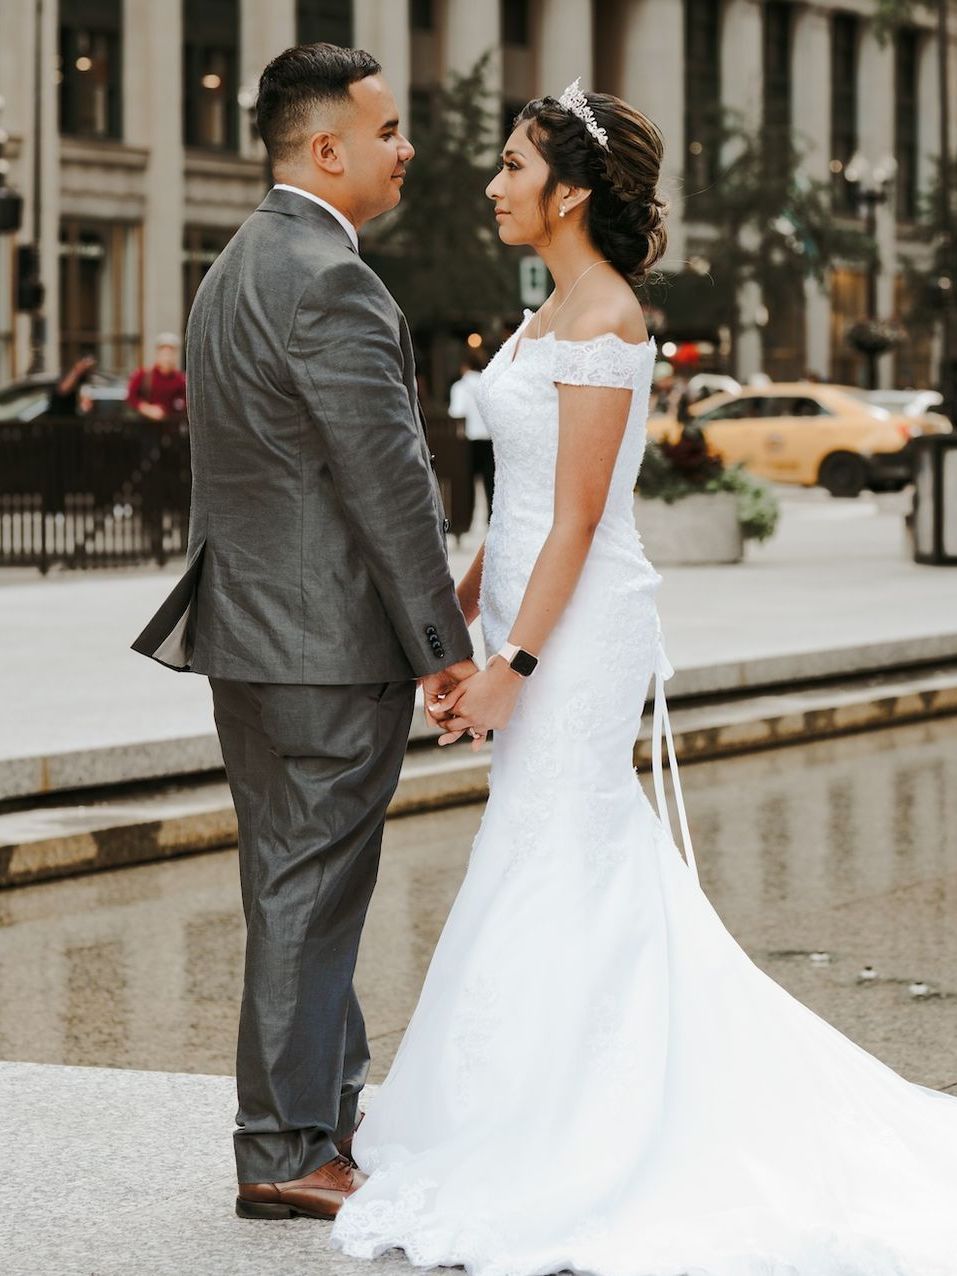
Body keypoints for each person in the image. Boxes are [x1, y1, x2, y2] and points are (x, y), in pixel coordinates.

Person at [331, 81, 957, 1274]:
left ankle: (580, 1124)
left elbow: (575, 520)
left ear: (568, 191)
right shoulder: (545, 309)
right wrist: (452, 623)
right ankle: (532, 1099)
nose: (493, 182)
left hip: (579, 629)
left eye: (514, 165)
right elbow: (513, 509)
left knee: (561, 847)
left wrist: (513, 666)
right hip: (523, 613)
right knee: (548, 849)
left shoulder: (609, 317)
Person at [131, 43, 475, 1222]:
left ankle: (322, 1115)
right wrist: (444, 644)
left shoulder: (234, 266)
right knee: (310, 890)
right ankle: (284, 1144)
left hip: (252, 638)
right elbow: (388, 483)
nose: (406, 147)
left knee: (295, 884)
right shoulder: (330, 279)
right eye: (387, 131)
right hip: (327, 646)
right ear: (326, 148)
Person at [448, 347, 494, 518]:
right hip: (489, 437)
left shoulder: (460, 387)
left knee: (467, 483)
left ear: (464, 366)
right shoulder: (489, 384)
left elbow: (456, 412)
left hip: (468, 440)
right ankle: (490, 518)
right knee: (491, 482)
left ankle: (467, 519)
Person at [126, 334, 187, 423]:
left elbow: (185, 401)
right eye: (164, 353)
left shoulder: (180, 379)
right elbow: (131, 397)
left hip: (172, 426)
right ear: (158, 354)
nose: (167, 358)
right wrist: (148, 409)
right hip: (148, 425)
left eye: (171, 353)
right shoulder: (144, 375)